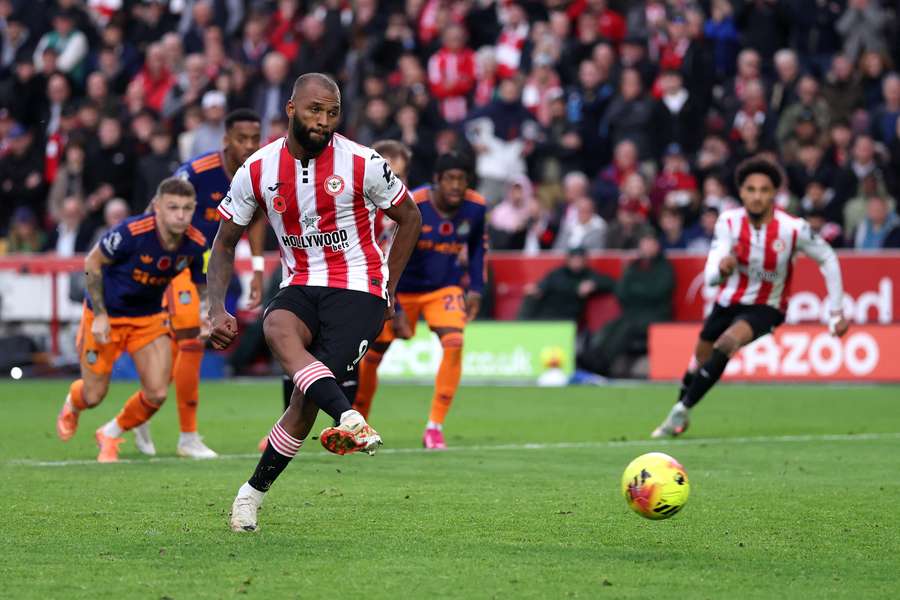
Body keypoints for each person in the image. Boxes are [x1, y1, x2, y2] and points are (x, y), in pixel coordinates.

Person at [206, 73, 422, 532]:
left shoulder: (364, 162)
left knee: (304, 401)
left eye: (332, 112)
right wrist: (216, 307)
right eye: (314, 110)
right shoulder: (258, 169)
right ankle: (349, 415)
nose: (323, 121)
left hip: (359, 287)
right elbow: (224, 243)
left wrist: (390, 286)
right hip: (301, 281)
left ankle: (250, 495)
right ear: (290, 109)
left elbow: (410, 217)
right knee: (275, 327)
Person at [651, 157, 849, 438]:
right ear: (741, 192)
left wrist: (836, 311)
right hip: (727, 301)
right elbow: (711, 274)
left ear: (774, 194)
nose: (757, 197)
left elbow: (827, 257)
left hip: (766, 306)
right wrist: (721, 270)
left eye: (764, 190)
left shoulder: (793, 228)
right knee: (698, 361)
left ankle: (681, 409)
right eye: (751, 189)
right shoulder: (728, 222)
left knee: (727, 343)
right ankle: (679, 413)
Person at [128, 108, 265, 459]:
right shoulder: (197, 172)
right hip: (175, 271)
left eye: (255, 138)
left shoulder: (258, 172)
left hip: (212, 274)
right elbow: (156, 208)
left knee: (184, 348)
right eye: (242, 139)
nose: (250, 145)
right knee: (190, 344)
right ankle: (185, 435)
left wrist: (259, 270)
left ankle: (143, 413)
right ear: (226, 140)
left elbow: (258, 221)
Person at [55, 178, 208, 462]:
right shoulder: (131, 232)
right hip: (106, 317)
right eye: (173, 207)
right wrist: (100, 314)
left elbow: (201, 285)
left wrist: (205, 313)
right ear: (157, 207)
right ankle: (72, 404)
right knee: (93, 396)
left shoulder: (196, 244)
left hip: (148, 318)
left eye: (187, 208)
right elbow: (92, 262)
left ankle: (111, 432)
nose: (180, 215)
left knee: (157, 393)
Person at [352, 152, 486, 450]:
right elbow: (387, 253)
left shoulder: (476, 208)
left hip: (444, 288)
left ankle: (435, 427)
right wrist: (393, 302)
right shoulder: (414, 204)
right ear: (436, 180)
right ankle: (358, 422)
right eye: (449, 179)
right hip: (402, 288)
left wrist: (476, 287)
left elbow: (478, 247)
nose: (455, 186)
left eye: (461, 180)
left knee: (454, 342)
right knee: (373, 355)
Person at [579, 231, 674, 376]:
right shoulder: (633, 266)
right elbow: (621, 291)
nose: (647, 248)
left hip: (655, 315)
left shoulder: (665, 267)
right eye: (644, 244)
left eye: (650, 244)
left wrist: (636, 290)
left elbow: (658, 292)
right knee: (611, 327)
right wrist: (642, 290)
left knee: (626, 328)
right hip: (632, 314)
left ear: (657, 246)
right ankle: (593, 357)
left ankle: (603, 364)